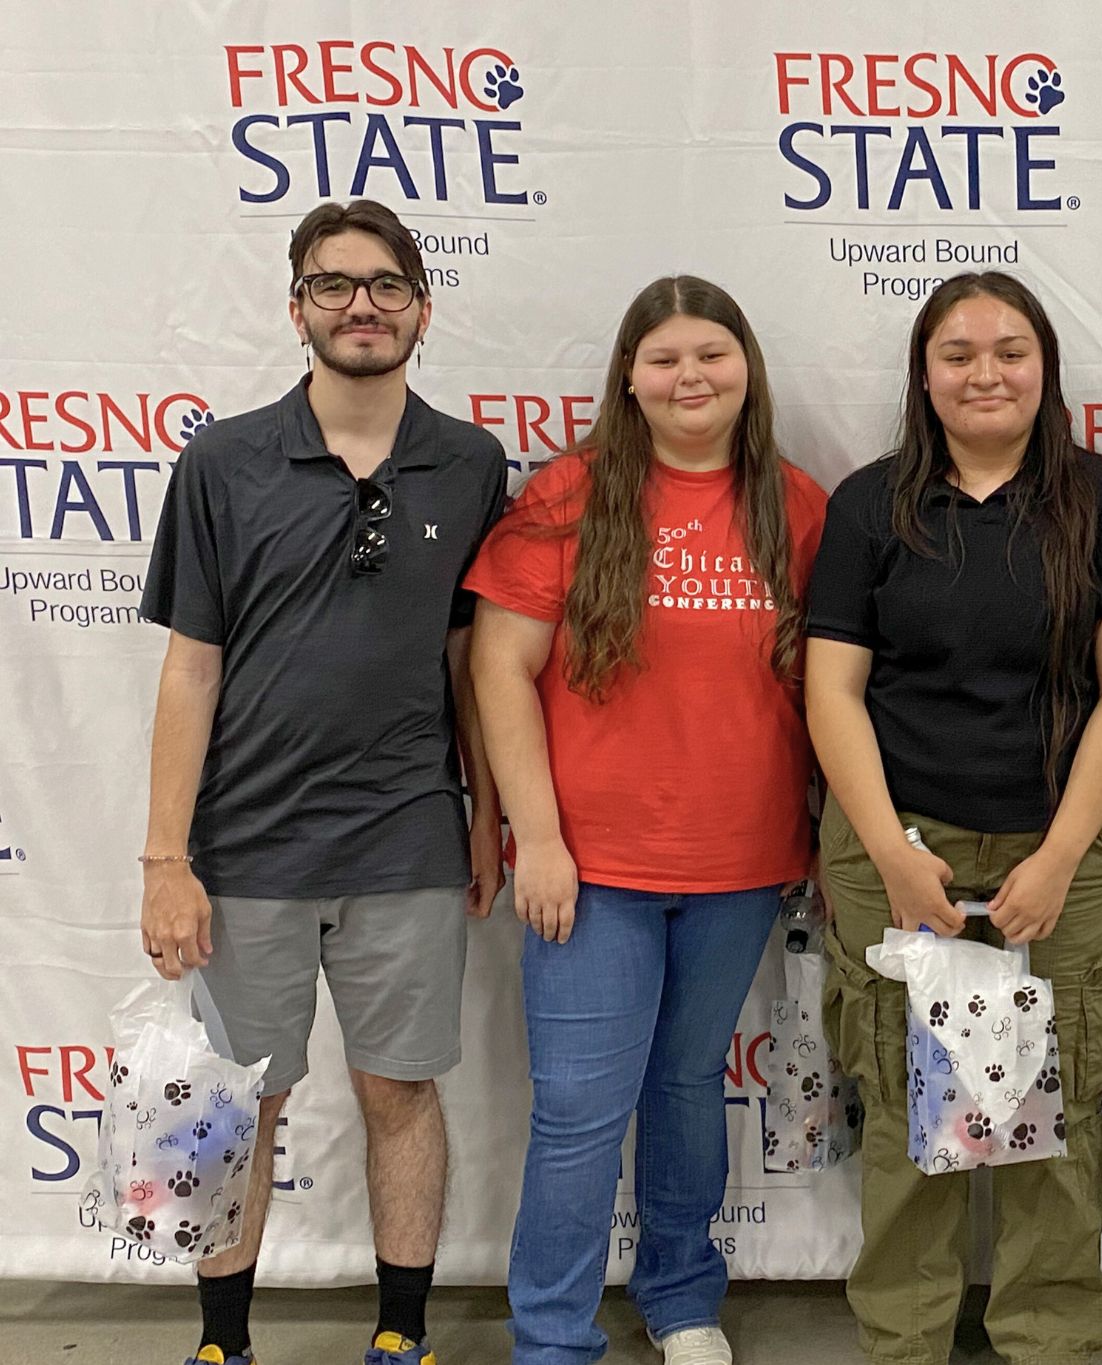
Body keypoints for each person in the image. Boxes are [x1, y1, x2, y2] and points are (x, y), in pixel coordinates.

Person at [138, 198, 508, 1365]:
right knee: (238, 1104)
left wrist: (488, 818)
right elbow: (191, 668)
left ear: (422, 309)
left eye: (385, 284)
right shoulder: (224, 460)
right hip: (246, 850)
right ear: (295, 305)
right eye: (335, 284)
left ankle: (400, 1339)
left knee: (400, 1091)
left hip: (407, 838)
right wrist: (164, 860)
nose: (362, 304)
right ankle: (224, 1345)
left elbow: (471, 659)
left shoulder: (470, 461)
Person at [806, 270, 1102, 1365]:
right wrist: (888, 853)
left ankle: (1048, 1337)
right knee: (905, 1096)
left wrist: (1059, 855)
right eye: (957, 354)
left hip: (1072, 846)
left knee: (1053, 1117)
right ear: (923, 375)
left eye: (1009, 350)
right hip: (896, 839)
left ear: (1045, 366)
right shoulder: (870, 504)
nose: (984, 373)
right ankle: (903, 1339)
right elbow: (830, 691)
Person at [464, 276, 827, 1365]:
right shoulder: (568, 499)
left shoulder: (794, 504)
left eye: (711, 353)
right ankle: (552, 1336)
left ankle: (681, 1300)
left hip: (741, 864)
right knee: (579, 1111)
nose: (690, 377)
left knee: (685, 1087)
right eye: (666, 358)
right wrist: (540, 838)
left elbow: (830, 684)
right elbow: (499, 669)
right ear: (628, 374)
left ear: (746, 367)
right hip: (591, 870)